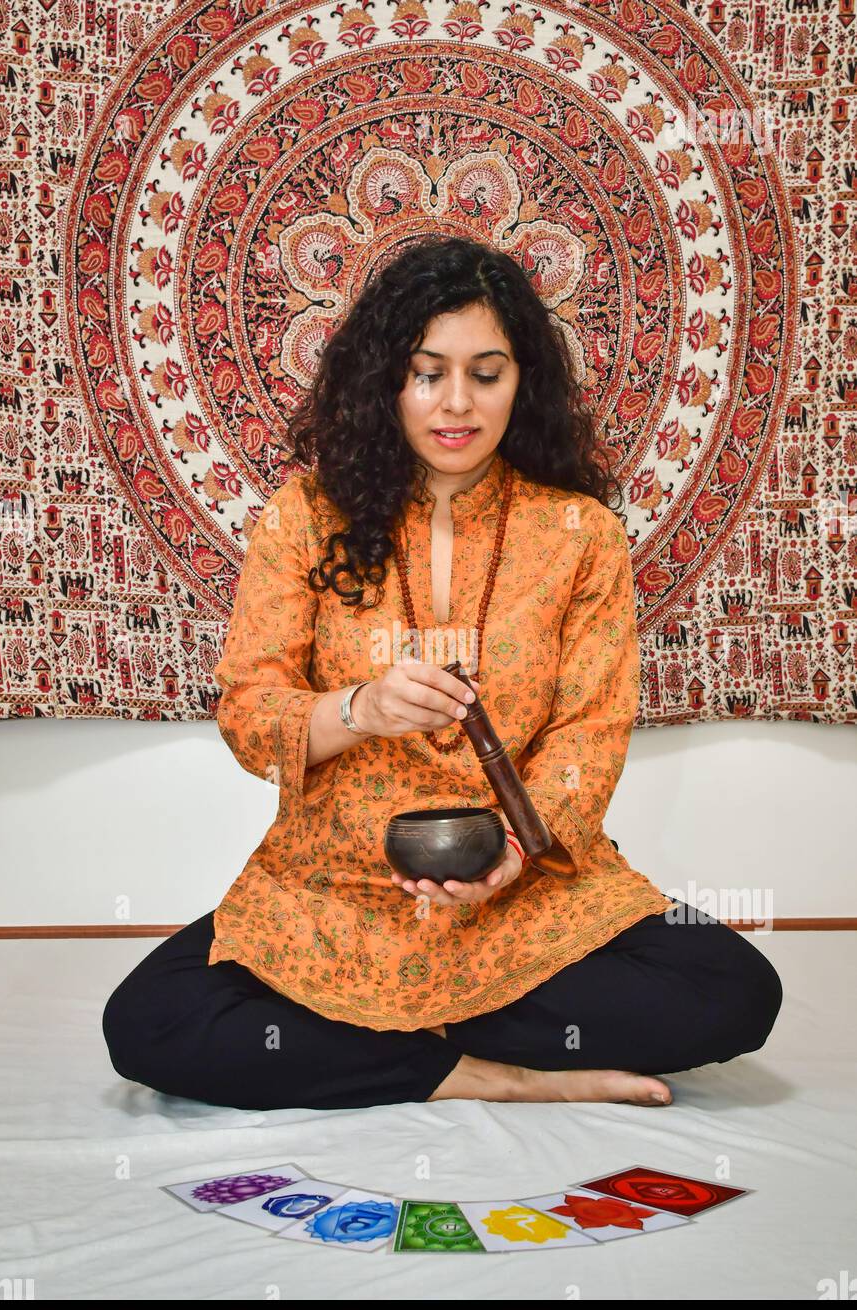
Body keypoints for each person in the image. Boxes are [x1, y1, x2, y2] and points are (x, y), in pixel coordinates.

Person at [102, 235, 782, 1111]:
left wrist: (510, 854)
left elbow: (589, 729)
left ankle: (364, 1038)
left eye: (485, 373)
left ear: (520, 381)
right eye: (427, 373)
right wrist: (360, 707)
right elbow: (249, 714)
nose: (455, 403)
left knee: (733, 988)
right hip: (332, 893)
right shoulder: (304, 518)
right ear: (385, 380)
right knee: (150, 1020)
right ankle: (480, 1073)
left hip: (516, 892)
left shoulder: (578, 533)